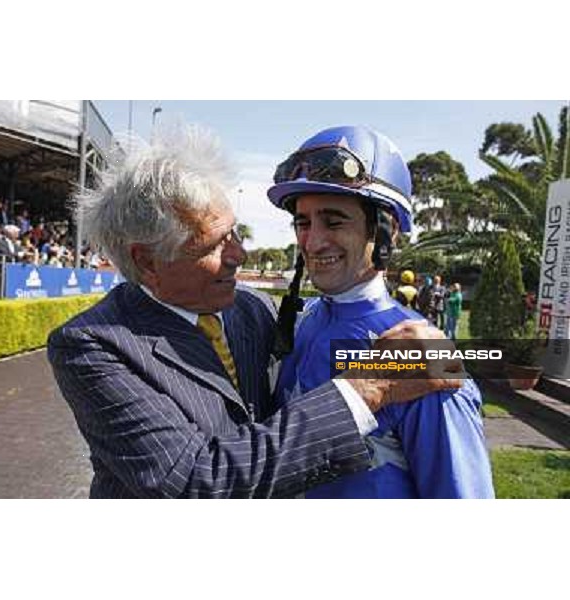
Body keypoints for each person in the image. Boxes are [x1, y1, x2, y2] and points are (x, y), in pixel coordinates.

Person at [47, 123, 460, 499]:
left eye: (234, 233)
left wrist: (468, 356)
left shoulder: (254, 309)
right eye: (212, 245)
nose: (239, 255)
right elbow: (199, 482)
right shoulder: (91, 345)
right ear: (149, 262)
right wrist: (369, 387)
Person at [268, 124, 494, 498]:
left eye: (334, 220)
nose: (312, 240)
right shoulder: (302, 320)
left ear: (387, 233)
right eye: (302, 222)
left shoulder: (426, 356)